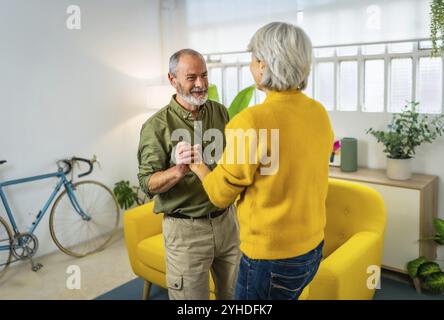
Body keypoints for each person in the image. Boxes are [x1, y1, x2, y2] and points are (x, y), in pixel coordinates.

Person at [189, 22, 334, 300]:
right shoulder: (318, 112)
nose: (251, 65)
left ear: (264, 64)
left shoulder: (251, 121)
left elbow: (220, 195)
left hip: (271, 260)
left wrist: (199, 166)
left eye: (253, 59)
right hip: (312, 250)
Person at [137, 49, 240, 300]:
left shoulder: (220, 112)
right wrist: (179, 170)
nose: (201, 84)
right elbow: (146, 183)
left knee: (237, 297)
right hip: (186, 233)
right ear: (173, 80)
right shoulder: (156, 126)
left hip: (227, 224)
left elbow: (228, 162)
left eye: (204, 75)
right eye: (192, 77)